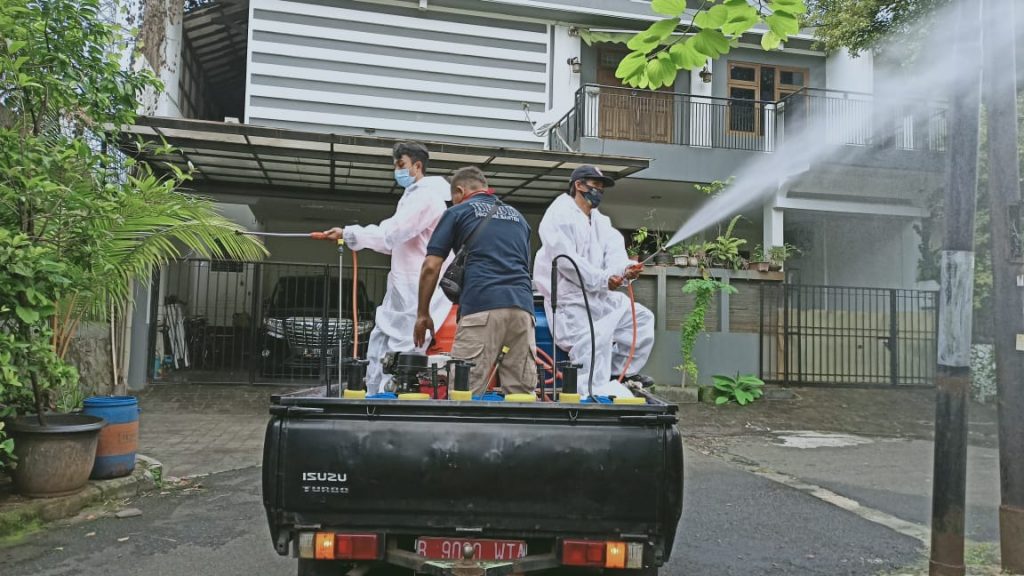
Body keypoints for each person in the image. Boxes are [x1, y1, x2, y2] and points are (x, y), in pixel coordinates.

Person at [323, 142, 453, 394]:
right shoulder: (412, 197)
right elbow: (392, 242)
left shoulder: (426, 197)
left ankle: (388, 404)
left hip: (418, 287)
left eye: (401, 164)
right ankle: (373, 398)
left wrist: (350, 233)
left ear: (417, 166)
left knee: (401, 354)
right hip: (402, 286)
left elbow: (391, 235)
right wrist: (354, 237)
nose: (396, 170)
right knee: (379, 346)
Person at [533, 165, 655, 398]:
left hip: (599, 296)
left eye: (601, 188)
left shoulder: (601, 221)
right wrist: (604, 279)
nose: (599, 191)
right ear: (578, 185)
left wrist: (625, 269)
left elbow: (615, 253)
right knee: (592, 340)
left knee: (641, 319)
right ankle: (588, 392)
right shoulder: (559, 214)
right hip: (571, 300)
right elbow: (568, 261)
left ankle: (619, 374)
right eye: (595, 186)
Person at [414, 166, 536, 396]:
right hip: (523, 310)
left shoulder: (457, 213)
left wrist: (422, 313)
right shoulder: (519, 218)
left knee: (465, 393)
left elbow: (431, 266)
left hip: (482, 306)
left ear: (459, 191)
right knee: (521, 397)